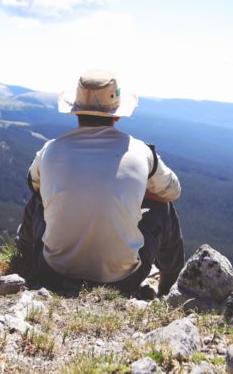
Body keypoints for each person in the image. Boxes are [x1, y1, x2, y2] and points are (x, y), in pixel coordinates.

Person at [15, 70, 185, 296]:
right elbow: (173, 192)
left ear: (76, 111)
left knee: (37, 201)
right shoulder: (141, 152)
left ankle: (23, 265)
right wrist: (135, 190)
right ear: (117, 114)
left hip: (52, 273)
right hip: (124, 281)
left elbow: (34, 186)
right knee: (164, 209)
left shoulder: (50, 149)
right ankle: (169, 288)